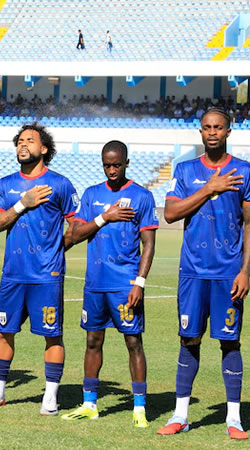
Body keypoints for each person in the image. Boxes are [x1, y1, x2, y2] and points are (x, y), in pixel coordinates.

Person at [157, 108, 250, 440]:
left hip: (228, 273)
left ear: (228, 131)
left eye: (218, 127)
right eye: (207, 127)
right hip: (193, 271)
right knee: (189, 339)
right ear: (200, 132)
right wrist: (209, 188)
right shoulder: (185, 170)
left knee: (229, 341)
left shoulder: (245, 171)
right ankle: (180, 415)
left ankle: (234, 419)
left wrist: (245, 271)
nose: (212, 132)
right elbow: (170, 213)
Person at [0, 123, 78, 415]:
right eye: (20, 140)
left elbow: (78, 225)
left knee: (52, 335)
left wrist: (57, 248)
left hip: (47, 275)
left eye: (30, 140)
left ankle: (50, 397)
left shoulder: (60, 184)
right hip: (14, 273)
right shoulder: (5, 184)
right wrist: (23, 204)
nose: (23, 144)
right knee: (3, 331)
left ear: (43, 148)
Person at [60, 141, 158, 427]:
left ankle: (139, 407)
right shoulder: (92, 194)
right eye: (107, 165)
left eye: (117, 165)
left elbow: (149, 245)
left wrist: (139, 283)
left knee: (133, 342)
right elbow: (75, 234)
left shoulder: (142, 196)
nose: (112, 170)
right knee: (93, 341)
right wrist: (105, 217)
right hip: (95, 284)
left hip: (125, 284)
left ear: (126, 163)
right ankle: (89, 404)